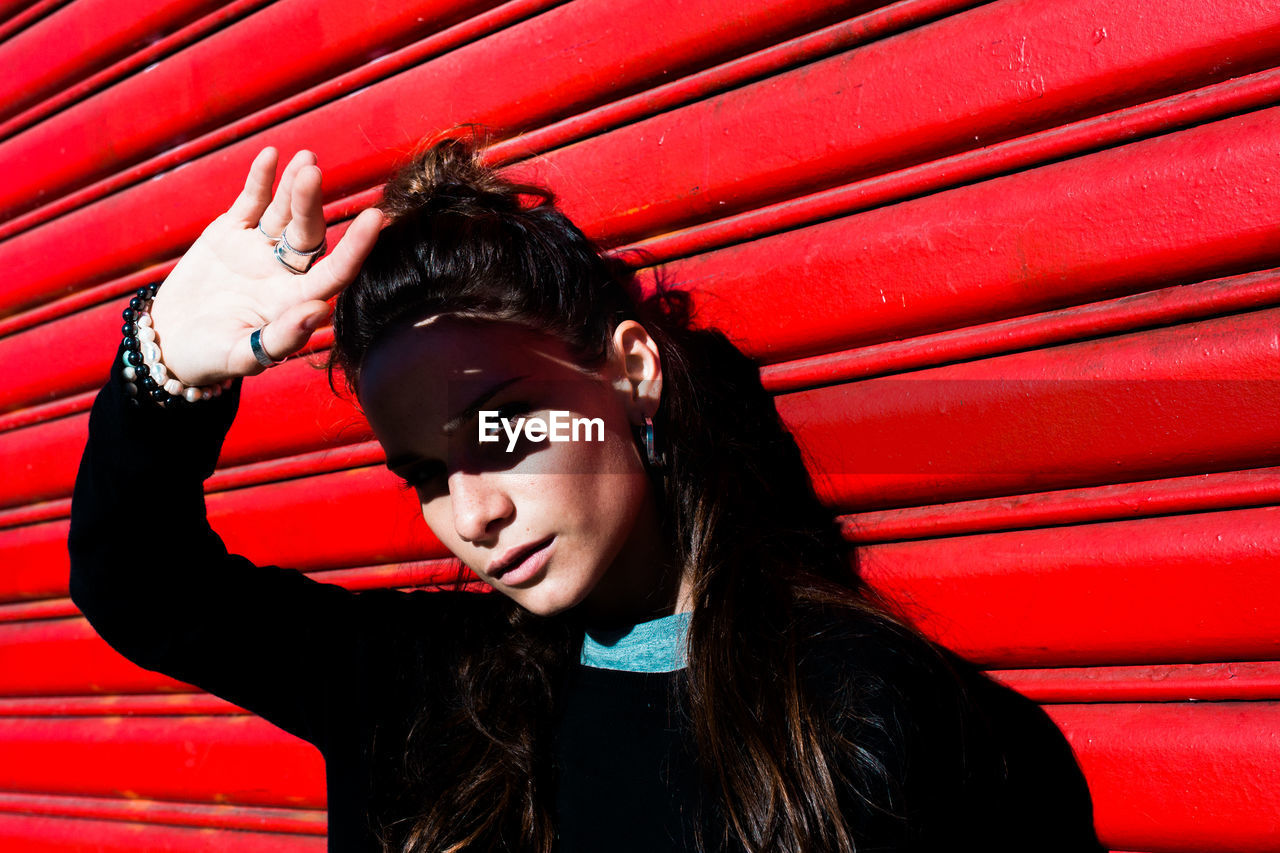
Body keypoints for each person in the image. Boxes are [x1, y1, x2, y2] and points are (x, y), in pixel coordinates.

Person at [68, 132, 1105, 853]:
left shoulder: (877, 721)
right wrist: (163, 367)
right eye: (426, 473)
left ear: (629, 372)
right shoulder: (423, 693)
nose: (471, 515)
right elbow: (138, 580)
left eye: (503, 428)